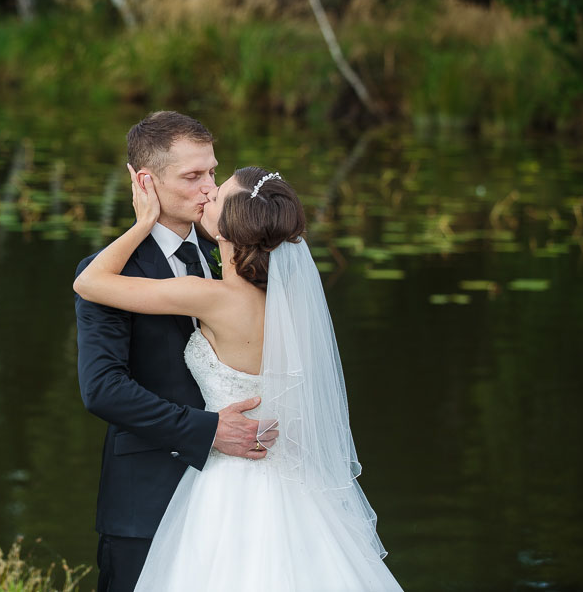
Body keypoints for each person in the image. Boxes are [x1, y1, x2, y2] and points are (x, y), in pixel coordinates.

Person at [73, 161, 403, 591]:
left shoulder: (212, 297)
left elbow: (90, 282)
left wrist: (144, 223)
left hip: (227, 483)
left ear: (230, 229)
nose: (207, 192)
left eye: (219, 191)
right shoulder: (291, 306)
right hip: (289, 484)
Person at [74, 111, 280, 592]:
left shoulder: (234, 250)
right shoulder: (110, 273)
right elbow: (102, 389)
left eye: (212, 171)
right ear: (146, 182)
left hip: (243, 498)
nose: (209, 188)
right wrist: (209, 431)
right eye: (193, 176)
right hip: (146, 502)